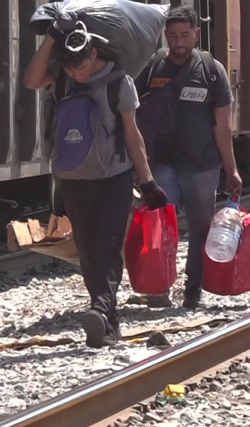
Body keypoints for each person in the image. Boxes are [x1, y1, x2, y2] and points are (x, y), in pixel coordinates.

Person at [23, 22, 168, 348]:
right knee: (88, 253)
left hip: (113, 178)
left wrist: (147, 181)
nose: (78, 74)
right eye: (71, 69)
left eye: (82, 66)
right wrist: (51, 38)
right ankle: (107, 326)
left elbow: (132, 134)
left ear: (94, 52)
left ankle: (99, 308)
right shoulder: (62, 77)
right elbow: (31, 80)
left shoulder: (119, 81)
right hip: (73, 179)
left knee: (107, 246)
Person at [135, 5, 242, 309]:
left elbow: (223, 124)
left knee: (200, 228)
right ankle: (159, 288)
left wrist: (231, 170)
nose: (178, 42)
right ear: (165, 36)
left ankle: (193, 289)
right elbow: (130, 112)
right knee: (160, 224)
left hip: (202, 167)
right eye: (172, 36)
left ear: (196, 34)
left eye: (184, 35)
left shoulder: (211, 71)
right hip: (163, 165)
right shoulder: (153, 67)